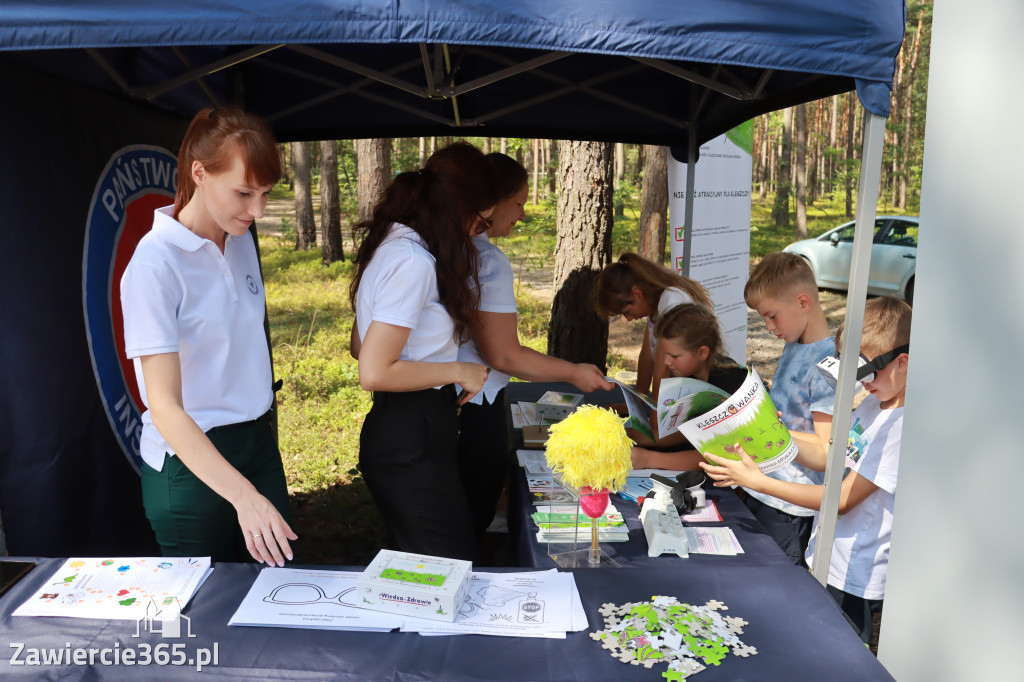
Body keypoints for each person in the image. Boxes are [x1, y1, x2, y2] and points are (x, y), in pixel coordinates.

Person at [120, 107, 296, 566]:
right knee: (205, 619)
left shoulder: (238, 241)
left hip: (258, 445)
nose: (256, 211)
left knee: (278, 596)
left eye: (265, 194)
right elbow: (165, 407)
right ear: (199, 173)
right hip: (190, 463)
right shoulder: (155, 265)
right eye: (243, 193)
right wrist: (244, 497)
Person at [700, 296, 911, 644]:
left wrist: (759, 482)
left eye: (867, 373)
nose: (864, 385)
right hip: (828, 555)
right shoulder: (877, 400)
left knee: (837, 654)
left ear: (901, 361)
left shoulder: (898, 426)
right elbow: (834, 454)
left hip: (854, 575)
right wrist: (774, 433)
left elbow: (841, 499)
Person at [457, 153, 614, 543]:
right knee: (467, 519)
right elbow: (504, 355)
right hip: (473, 406)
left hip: (446, 404)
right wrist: (574, 372)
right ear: (492, 202)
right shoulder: (487, 261)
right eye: (520, 203)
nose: (523, 215)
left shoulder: (452, 250)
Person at [350, 142, 492, 562]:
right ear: (458, 208)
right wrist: (459, 371)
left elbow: (361, 345)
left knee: (424, 568)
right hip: (411, 433)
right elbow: (373, 370)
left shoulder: (393, 244)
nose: (476, 234)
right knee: (449, 567)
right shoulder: (412, 260)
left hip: (409, 428)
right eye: (479, 222)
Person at [740, 251, 837, 565]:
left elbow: (826, 454)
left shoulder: (827, 365)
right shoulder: (794, 343)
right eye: (763, 319)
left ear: (803, 303)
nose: (768, 327)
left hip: (790, 508)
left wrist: (770, 431)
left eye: (772, 316)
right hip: (763, 488)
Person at [629, 302, 747, 470]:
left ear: (702, 353)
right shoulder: (690, 376)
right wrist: (652, 438)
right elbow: (693, 428)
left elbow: (718, 454)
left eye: (674, 356)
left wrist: (648, 459)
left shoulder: (729, 385)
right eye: (665, 354)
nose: (666, 362)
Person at [594, 253, 713, 400]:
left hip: (695, 389)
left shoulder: (671, 301)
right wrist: (638, 405)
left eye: (627, 312)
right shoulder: (654, 305)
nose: (629, 319)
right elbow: (647, 355)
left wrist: (655, 420)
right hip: (677, 385)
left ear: (637, 294)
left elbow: (662, 371)